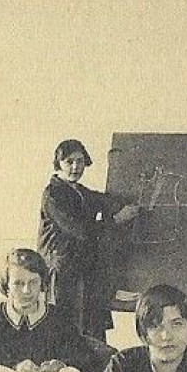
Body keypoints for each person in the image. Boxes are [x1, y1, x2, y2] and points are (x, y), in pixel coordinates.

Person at [37, 138, 140, 339]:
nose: (76, 167)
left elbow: (103, 200)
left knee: (92, 331)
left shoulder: (80, 192)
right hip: (63, 273)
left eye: (80, 161)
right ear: (59, 164)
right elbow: (81, 230)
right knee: (67, 329)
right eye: (69, 162)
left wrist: (126, 203)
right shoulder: (53, 194)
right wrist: (117, 220)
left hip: (84, 272)